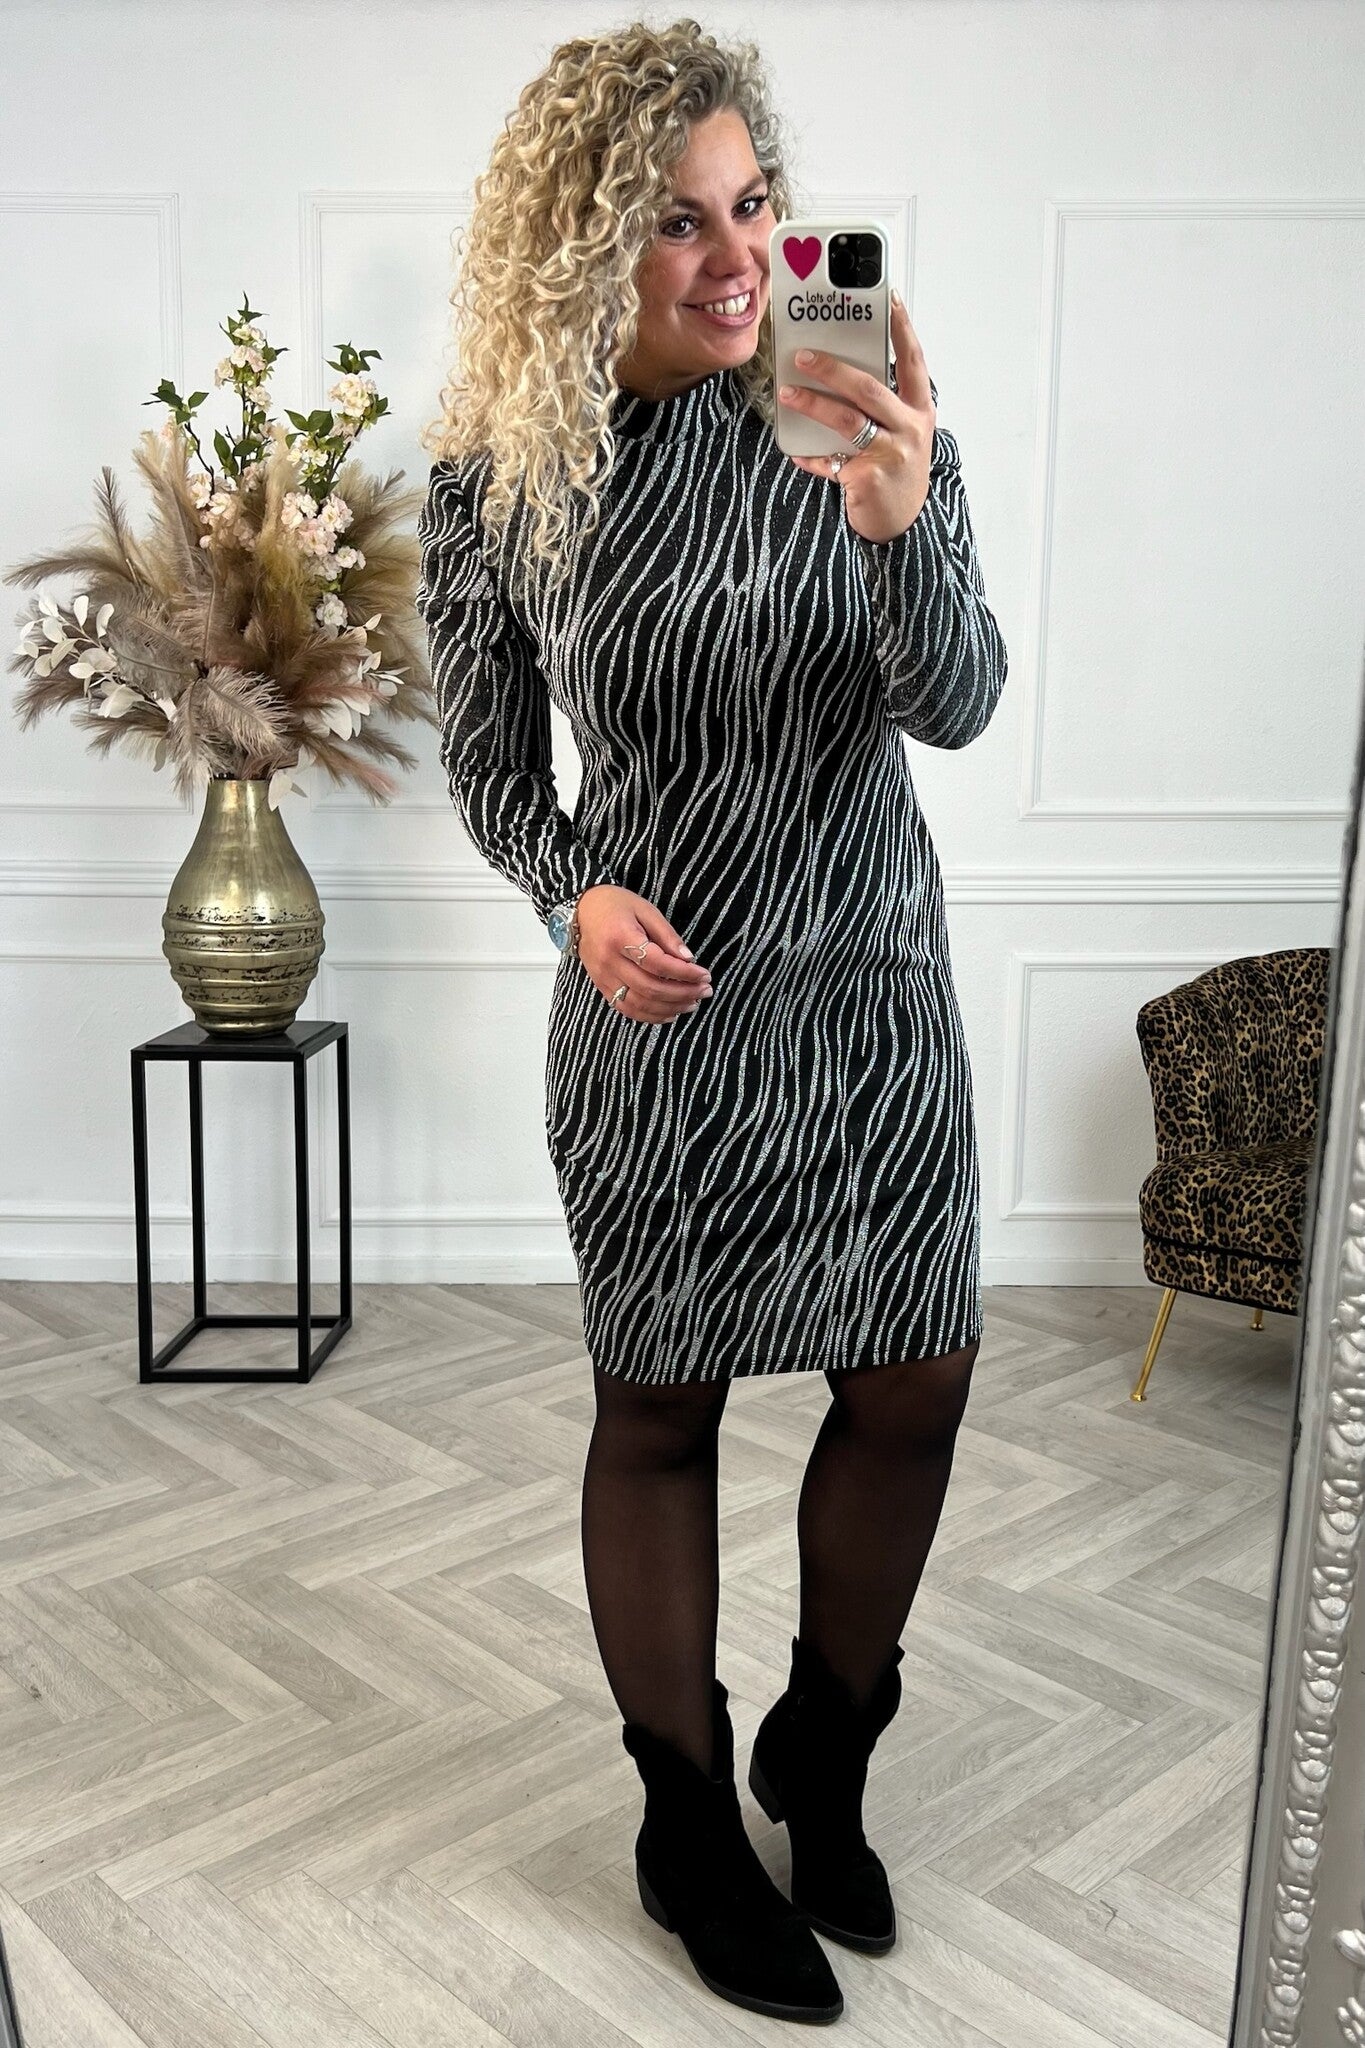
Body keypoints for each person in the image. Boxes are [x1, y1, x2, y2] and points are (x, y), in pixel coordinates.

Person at [416, 18, 1007, 2027]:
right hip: (661, 1022)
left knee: (913, 1375)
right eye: (678, 222)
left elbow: (956, 701)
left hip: (872, 996)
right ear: (590, 245)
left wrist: (900, 517)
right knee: (660, 1408)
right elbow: (491, 768)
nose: (740, 254)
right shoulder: (503, 478)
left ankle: (820, 1753)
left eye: (752, 204)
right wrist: (567, 895)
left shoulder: (854, 400)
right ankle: (683, 1823)